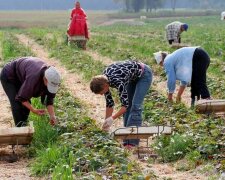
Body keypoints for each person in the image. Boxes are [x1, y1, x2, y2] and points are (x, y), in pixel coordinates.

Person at [90, 60, 152, 147]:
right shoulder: (103, 80)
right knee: (129, 106)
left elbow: (124, 106)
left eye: (101, 92)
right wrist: (106, 123)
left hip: (144, 74)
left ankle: (132, 142)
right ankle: (127, 137)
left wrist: (112, 118)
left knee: (135, 106)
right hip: (132, 77)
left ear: (106, 86)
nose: (101, 94)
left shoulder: (118, 81)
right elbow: (109, 103)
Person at [0, 57, 61, 127]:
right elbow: (21, 98)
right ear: (45, 79)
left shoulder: (53, 78)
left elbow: (49, 99)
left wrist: (52, 116)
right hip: (9, 76)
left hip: (22, 75)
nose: (50, 87)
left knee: (26, 106)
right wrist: (33, 110)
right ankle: (20, 131)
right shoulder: (33, 78)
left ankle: (23, 125)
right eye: (49, 85)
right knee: (17, 104)